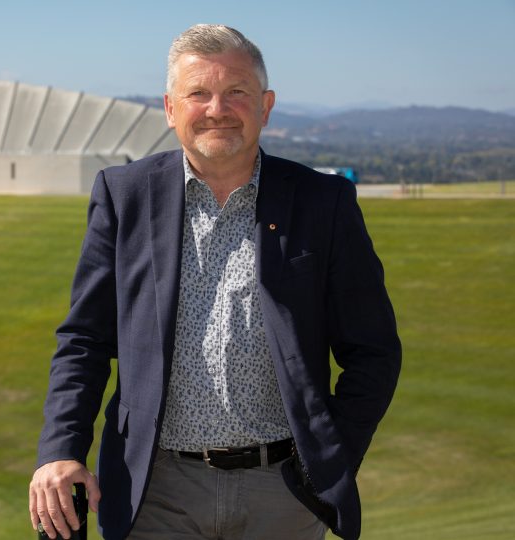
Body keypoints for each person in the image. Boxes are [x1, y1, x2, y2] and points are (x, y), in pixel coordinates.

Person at [29, 24, 401, 540]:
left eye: (237, 93)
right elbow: (85, 340)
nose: (217, 109)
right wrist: (61, 448)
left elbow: (374, 350)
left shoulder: (323, 203)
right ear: (170, 107)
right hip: (155, 492)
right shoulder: (124, 195)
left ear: (265, 106)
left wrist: (331, 458)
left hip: (284, 495)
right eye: (198, 93)